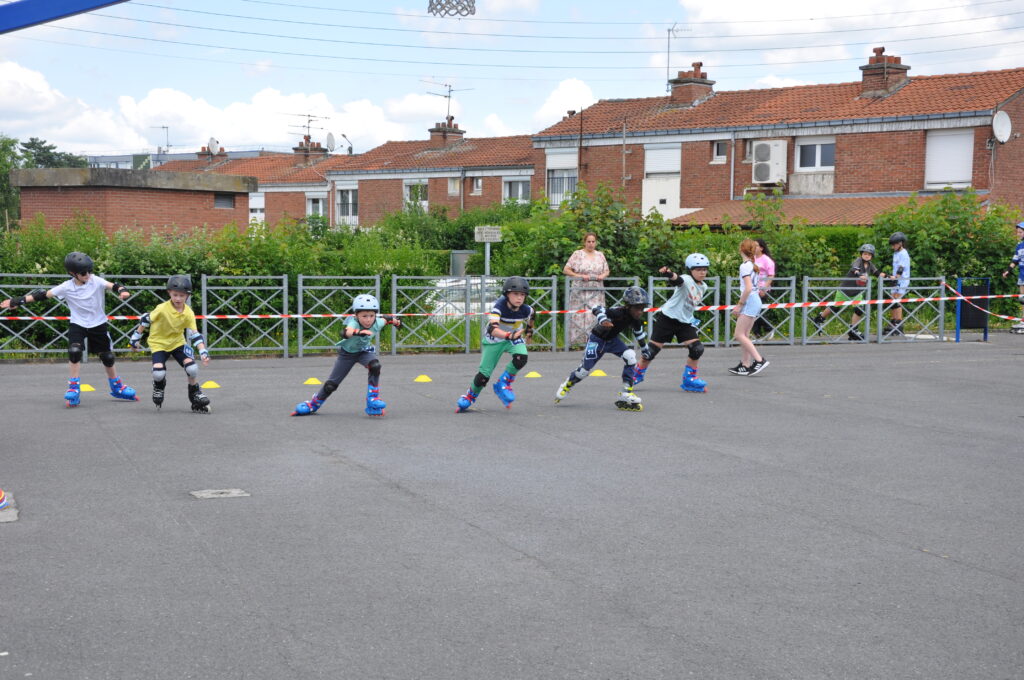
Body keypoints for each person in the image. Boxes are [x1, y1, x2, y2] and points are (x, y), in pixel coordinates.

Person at [0, 251, 138, 407]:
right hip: (78, 324)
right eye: (83, 273)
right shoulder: (66, 287)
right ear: (73, 273)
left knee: (107, 357)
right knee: (74, 351)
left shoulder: (96, 280)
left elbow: (114, 286)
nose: (88, 275)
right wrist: (17, 301)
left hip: (98, 324)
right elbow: (43, 295)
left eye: (89, 271)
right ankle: (73, 388)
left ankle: (117, 387)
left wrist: (122, 290)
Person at [292, 293, 402, 417]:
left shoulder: (377, 322)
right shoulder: (354, 322)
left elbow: (387, 319)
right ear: (356, 315)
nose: (368, 320)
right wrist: (358, 332)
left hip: (363, 352)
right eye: (364, 316)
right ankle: (313, 404)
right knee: (331, 385)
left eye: (371, 316)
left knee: (375, 366)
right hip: (347, 355)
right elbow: (345, 332)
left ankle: (372, 399)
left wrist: (397, 322)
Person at [554, 286, 651, 411]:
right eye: (637, 308)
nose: (640, 312)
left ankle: (625, 392)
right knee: (584, 371)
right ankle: (568, 384)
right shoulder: (617, 312)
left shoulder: (636, 320)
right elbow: (596, 308)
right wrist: (603, 319)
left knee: (631, 357)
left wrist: (645, 350)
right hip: (597, 340)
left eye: (642, 308)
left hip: (612, 341)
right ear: (628, 306)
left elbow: (639, 334)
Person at [128, 275, 212, 413]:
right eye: (175, 295)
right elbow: (145, 320)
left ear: (187, 296)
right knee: (158, 373)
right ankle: (159, 385)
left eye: (182, 296)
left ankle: (195, 394)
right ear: (169, 293)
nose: (178, 298)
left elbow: (195, 334)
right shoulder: (162, 308)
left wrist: (203, 351)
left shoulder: (188, 313)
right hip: (159, 343)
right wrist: (135, 339)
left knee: (192, 368)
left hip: (177, 343)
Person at [633, 253, 710, 393]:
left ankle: (689, 379)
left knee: (697, 349)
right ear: (690, 270)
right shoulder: (687, 279)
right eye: (698, 269)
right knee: (650, 352)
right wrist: (669, 274)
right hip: (667, 319)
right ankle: (635, 376)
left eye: (704, 269)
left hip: (684, 322)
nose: (702, 272)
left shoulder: (704, 286)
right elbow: (677, 280)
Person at [456, 276, 535, 412]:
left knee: (521, 358)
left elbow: (533, 315)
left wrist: (529, 330)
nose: (519, 298)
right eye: (515, 294)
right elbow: (492, 329)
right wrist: (509, 335)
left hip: (513, 338)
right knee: (483, 377)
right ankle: (470, 396)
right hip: (495, 339)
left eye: (522, 295)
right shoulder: (499, 307)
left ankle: (504, 382)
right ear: (507, 294)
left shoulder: (526, 309)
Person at [811, 244, 891, 341]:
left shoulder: (870, 265)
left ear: (872, 256)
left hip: (857, 293)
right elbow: (854, 269)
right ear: (861, 254)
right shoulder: (858, 261)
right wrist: (860, 275)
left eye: (869, 255)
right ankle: (819, 318)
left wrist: (889, 276)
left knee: (859, 310)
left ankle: (853, 330)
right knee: (835, 308)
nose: (867, 256)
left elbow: (878, 273)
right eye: (865, 254)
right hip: (845, 290)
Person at [730, 239, 770, 376]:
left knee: (738, 334)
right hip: (754, 300)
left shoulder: (745, 266)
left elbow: (748, 288)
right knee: (745, 335)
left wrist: (739, 305)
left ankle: (759, 360)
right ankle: (745, 364)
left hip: (750, 300)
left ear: (741, 250)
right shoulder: (753, 265)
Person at [563, 232, 610, 346]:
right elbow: (566, 270)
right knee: (579, 315)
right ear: (584, 242)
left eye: (593, 241)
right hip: (579, 291)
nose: (591, 244)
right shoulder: (577, 254)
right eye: (588, 241)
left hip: (596, 292)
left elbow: (607, 271)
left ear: (596, 242)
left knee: (595, 314)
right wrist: (579, 276)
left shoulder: (600, 255)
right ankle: (577, 342)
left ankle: (595, 340)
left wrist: (602, 276)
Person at [751, 238, 776, 338]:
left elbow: (771, 275)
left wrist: (764, 289)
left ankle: (768, 328)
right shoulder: (752, 258)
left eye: (756, 246)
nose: (754, 247)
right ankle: (756, 333)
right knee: (753, 311)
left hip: (762, 288)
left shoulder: (766, 260)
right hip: (752, 288)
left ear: (761, 248)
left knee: (759, 310)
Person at [1001, 222, 1024, 333]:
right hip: (1022, 275)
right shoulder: (1019, 246)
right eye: (1017, 232)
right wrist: (1008, 271)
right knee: (1022, 299)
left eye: (1020, 232)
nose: (1018, 234)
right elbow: (1015, 261)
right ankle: (1023, 321)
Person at [887, 231, 911, 336]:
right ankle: (893, 321)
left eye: (894, 244)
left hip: (902, 280)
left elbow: (901, 268)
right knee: (892, 299)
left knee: (897, 300)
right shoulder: (896, 253)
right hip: (895, 280)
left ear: (900, 243)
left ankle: (899, 323)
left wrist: (896, 277)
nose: (893, 247)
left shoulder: (904, 253)